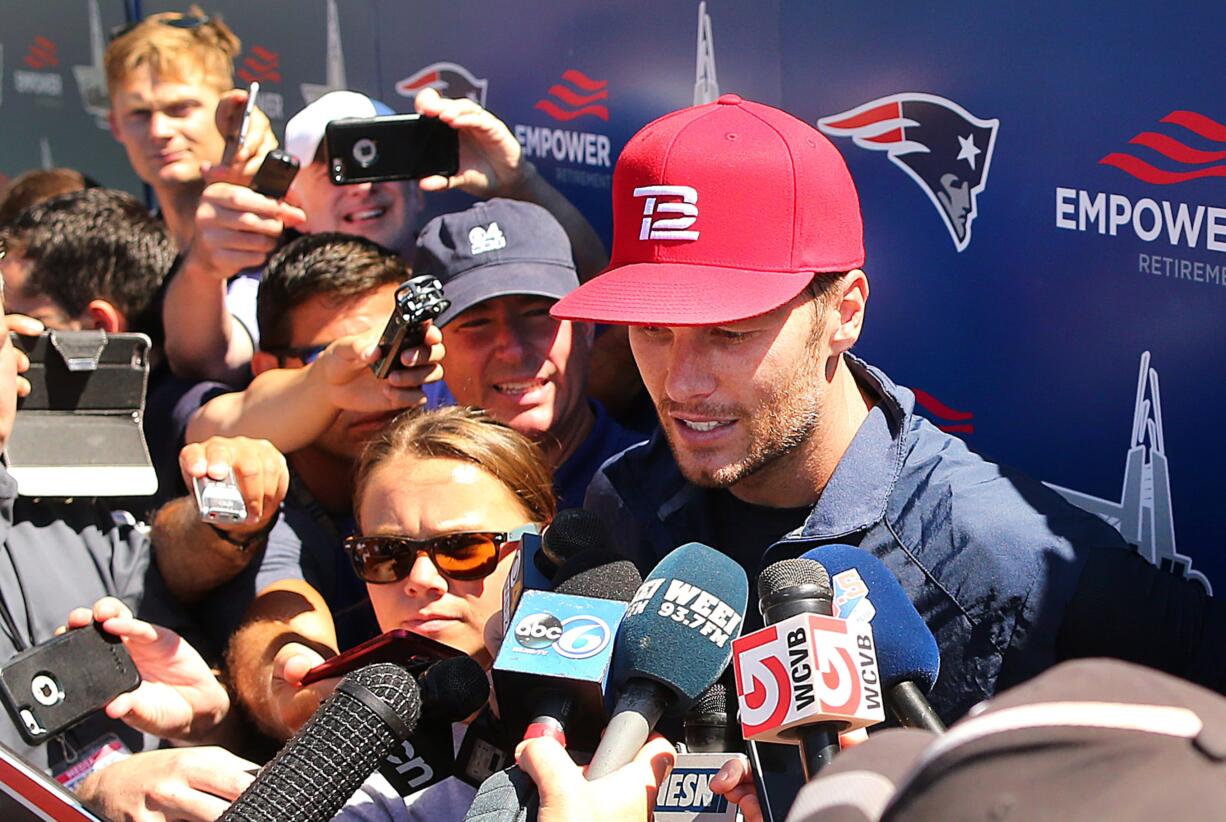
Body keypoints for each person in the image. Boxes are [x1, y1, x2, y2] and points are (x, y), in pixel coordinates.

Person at [552, 94, 1226, 724]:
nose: (680, 384)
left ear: (844, 314)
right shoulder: (624, 496)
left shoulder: (1002, 553)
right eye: (653, 330)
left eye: (730, 334)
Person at [0, 284, 275, 818]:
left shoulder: (75, 520)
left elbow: (205, 733)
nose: (16, 348)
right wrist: (88, 801)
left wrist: (208, 725)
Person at [153, 232, 440, 740]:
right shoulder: (259, 484)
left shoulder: (445, 442)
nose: (377, 387)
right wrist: (301, 680)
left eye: (393, 355)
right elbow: (283, 597)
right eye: (337, 357)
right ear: (270, 368)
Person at [191, 198, 644, 510]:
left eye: (537, 314)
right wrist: (325, 383)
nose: (510, 346)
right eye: (476, 323)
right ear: (435, 343)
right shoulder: (408, 444)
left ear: (585, 327)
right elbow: (208, 425)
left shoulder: (646, 482)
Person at [165, 86, 611, 387]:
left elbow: (598, 300)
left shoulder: (464, 260)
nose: (364, 186)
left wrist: (516, 180)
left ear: (417, 190)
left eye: (380, 163)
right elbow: (204, 361)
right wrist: (204, 268)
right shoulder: (273, 291)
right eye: (337, 168)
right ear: (293, 202)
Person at [333, 405, 556, 819]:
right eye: (385, 553)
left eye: (462, 548)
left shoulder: (624, 705)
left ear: (542, 546)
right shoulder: (345, 738)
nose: (421, 579)